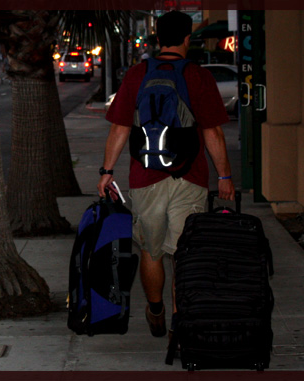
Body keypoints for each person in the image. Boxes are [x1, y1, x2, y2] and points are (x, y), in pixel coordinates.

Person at [97, 10, 236, 339]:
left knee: (151, 249)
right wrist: (225, 177)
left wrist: (106, 171)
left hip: (145, 178)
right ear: (188, 38)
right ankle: (179, 322)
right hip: (191, 177)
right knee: (184, 251)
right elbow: (212, 133)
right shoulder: (198, 76)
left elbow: (119, 128)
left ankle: (156, 307)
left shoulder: (137, 74)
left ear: (157, 38)